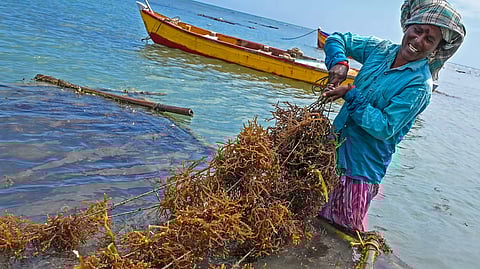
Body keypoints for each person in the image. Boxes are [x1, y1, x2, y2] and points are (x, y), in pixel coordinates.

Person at [318, 0, 465, 232]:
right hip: (329, 153)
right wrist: (339, 62)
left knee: (341, 233)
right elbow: (338, 39)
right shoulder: (380, 50)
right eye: (417, 31)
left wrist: (350, 94)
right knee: (311, 217)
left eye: (429, 39)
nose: (418, 41)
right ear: (408, 26)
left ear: (436, 48)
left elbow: (384, 127)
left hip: (360, 170)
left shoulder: (419, 86)